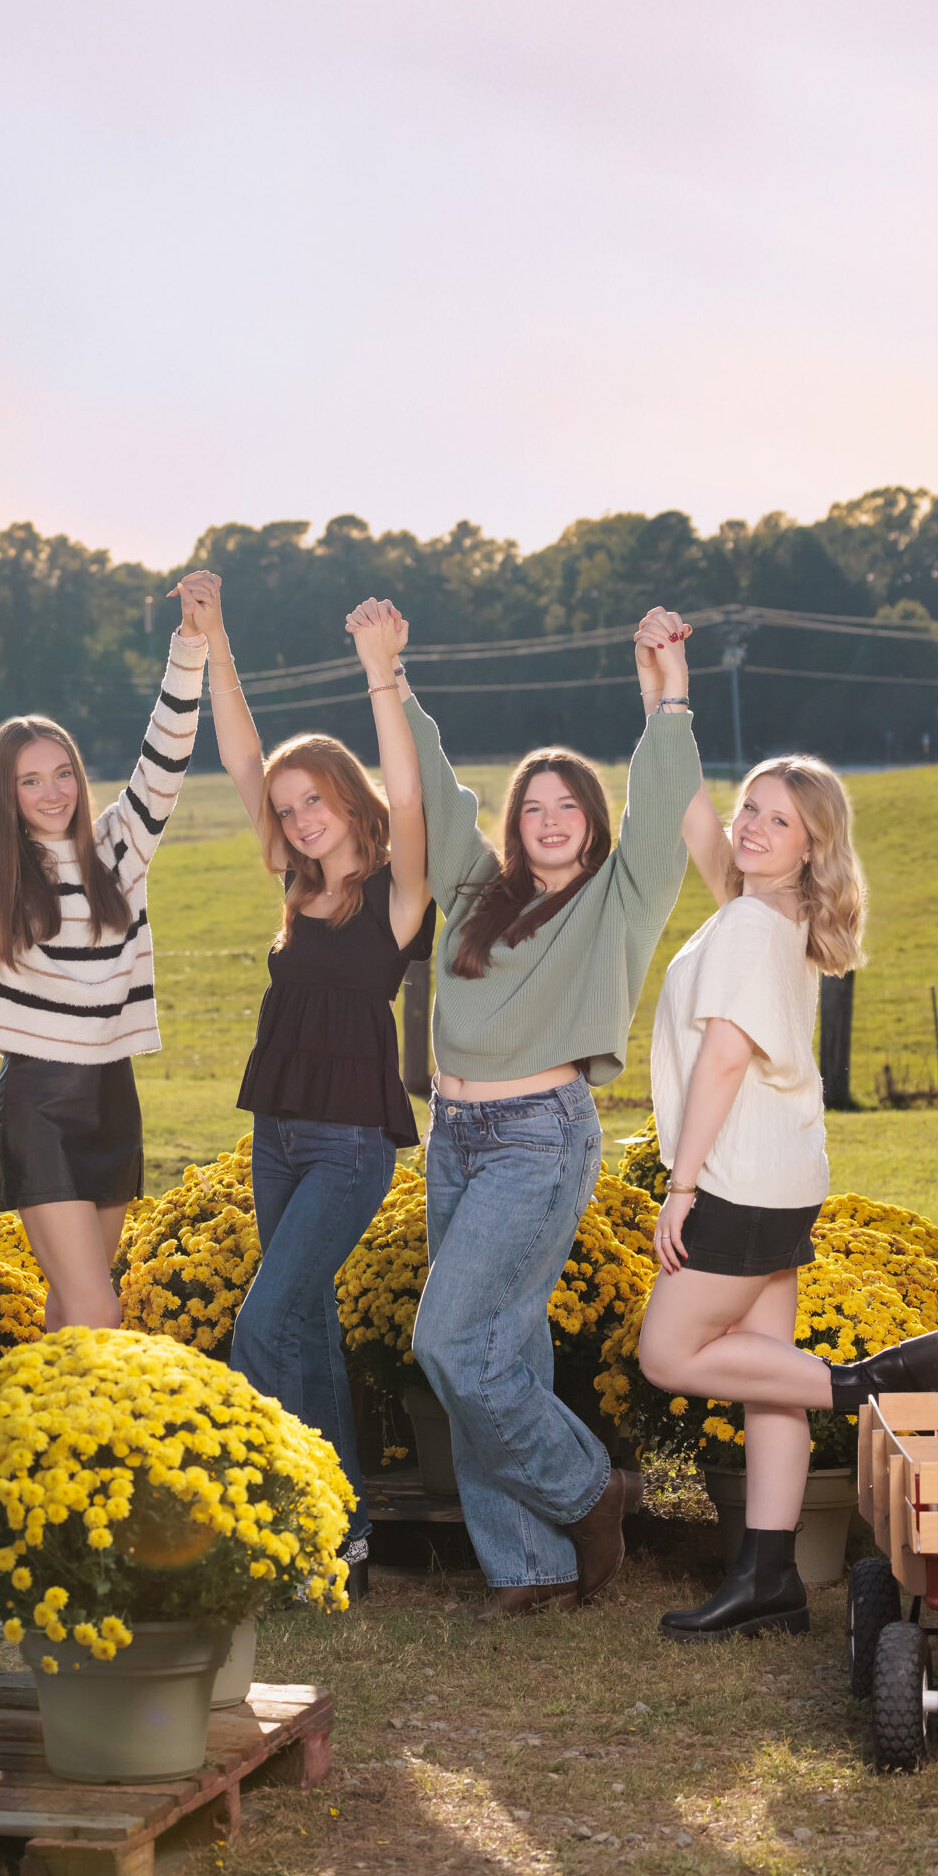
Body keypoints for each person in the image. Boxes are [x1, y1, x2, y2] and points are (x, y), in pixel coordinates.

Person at [397, 603, 703, 1616]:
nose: (552, 814)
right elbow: (433, 796)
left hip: (539, 1134)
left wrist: (664, 687)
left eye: (569, 801)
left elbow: (662, 807)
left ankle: (587, 1491)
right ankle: (529, 1566)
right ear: (515, 823)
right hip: (456, 1133)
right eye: (534, 803)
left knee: (447, 1341)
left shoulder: (619, 895)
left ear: (590, 817)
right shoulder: (475, 890)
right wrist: (387, 677)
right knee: (503, 1345)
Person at [640, 747, 938, 1640]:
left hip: (734, 1179)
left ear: (812, 845)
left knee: (669, 1351)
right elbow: (697, 817)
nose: (751, 826)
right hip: (785, 1177)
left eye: (778, 818)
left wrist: (681, 1184)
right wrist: (669, 694)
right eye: (750, 809)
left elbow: (726, 1058)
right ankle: (770, 1576)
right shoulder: (776, 912)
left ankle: (868, 1383)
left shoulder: (744, 924)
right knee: (770, 1383)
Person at [172, 572, 434, 1587]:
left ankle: (275, 1519)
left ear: (345, 798)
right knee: (311, 1325)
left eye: (313, 799)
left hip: (348, 1146)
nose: (296, 818)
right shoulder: (293, 881)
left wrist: (382, 673)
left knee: (264, 1319)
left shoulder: (395, 896)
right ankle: (345, 1533)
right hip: (277, 1133)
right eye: (285, 809)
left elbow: (406, 793)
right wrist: (216, 642)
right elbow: (241, 752)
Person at [0, 597, 207, 1326]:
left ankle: (35, 1436)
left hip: (114, 1098)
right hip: (39, 1107)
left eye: (62, 773)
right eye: (30, 781)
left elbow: (167, 753)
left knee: (71, 1307)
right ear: (7, 791)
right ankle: (87, 1438)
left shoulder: (123, 846)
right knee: (98, 1311)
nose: (51, 792)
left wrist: (189, 646)